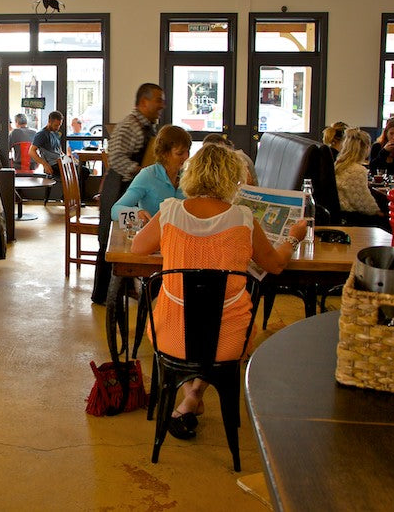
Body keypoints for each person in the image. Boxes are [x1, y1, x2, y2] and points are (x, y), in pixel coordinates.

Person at [130, 143, 307, 439]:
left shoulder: (170, 212)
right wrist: (293, 237)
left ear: (192, 174)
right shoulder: (243, 218)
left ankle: (188, 395)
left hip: (172, 334)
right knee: (215, 343)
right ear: (232, 178)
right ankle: (193, 395)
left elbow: (137, 248)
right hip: (228, 340)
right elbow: (275, 265)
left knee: (184, 339)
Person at [92, 83, 165, 305]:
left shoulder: (147, 126)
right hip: (118, 189)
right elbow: (116, 159)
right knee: (110, 241)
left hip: (131, 188)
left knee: (129, 239)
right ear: (144, 102)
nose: (162, 105)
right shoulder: (128, 126)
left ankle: (124, 287)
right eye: (158, 100)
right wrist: (142, 171)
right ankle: (103, 295)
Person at [111, 125, 191, 224]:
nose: (186, 157)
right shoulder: (148, 175)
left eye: (188, 151)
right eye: (179, 153)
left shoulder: (188, 177)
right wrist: (137, 213)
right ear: (164, 154)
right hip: (153, 236)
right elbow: (114, 211)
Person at [334, 129, 386, 226]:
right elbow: (361, 202)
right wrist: (377, 211)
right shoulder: (357, 170)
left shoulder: (338, 165)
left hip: (341, 214)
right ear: (365, 147)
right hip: (352, 217)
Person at [29, 110, 64, 177]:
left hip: (60, 162)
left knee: (83, 170)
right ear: (49, 122)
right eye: (56, 125)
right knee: (82, 171)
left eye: (59, 125)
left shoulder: (55, 133)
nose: (57, 128)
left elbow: (59, 151)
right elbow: (31, 151)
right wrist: (44, 164)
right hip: (53, 165)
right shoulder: (42, 134)